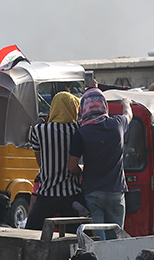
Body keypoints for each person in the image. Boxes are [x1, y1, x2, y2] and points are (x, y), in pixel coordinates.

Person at [68, 88, 131, 238]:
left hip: (92, 192)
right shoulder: (117, 125)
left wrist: (82, 171)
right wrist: (126, 103)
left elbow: (72, 166)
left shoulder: (81, 132)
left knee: (97, 240)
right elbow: (128, 115)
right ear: (104, 105)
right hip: (116, 191)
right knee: (116, 239)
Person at [26, 92, 85, 230]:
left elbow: (40, 163)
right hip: (72, 196)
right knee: (76, 236)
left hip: (46, 194)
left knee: (31, 232)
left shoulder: (39, 130)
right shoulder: (78, 129)